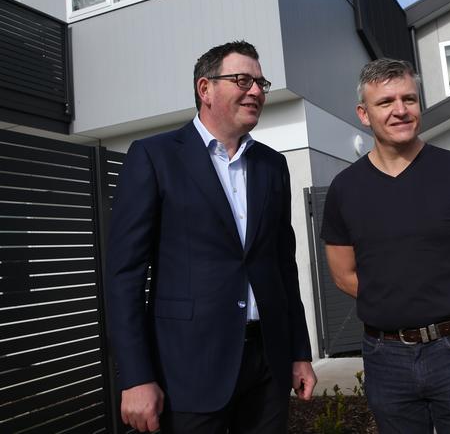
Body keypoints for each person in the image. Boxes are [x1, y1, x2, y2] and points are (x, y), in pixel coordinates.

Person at [106, 40, 316, 433]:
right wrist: (135, 377)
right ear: (205, 89)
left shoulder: (273, 166)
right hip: (188, 369)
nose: (256, 90)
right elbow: (124, 277)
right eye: (243, 80)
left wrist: (299, 353)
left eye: (260, 82)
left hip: (267, 366)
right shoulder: (154, 157)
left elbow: (282, 267)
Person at [320, 58, 450, 433]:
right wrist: (394, 304)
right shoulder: (345, 189)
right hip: (384, 356)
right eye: (386, 102)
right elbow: (344, 275)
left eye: (409, 99)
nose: (400, 110)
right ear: (364, 114)